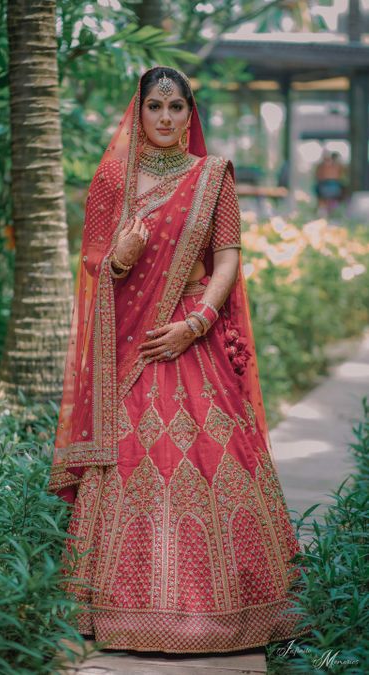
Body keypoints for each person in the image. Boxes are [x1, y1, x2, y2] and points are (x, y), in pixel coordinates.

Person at [48, 66, 311, 653]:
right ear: (138, 114)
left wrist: (196, 323)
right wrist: (120, 255)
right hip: (136, 350)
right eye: (155, 107)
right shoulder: (113, 181)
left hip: (195, 337)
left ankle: (234, 616)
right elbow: (93, 266)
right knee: (133, 465)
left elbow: (228, 258)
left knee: (217, 459)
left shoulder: (211, 177)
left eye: (176, 107)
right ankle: (120, 611)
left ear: (191, 115)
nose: (165, 118)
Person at [314, 150, 346, 215]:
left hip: (332, 186)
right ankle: (325, 209)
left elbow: (340, 175)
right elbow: (318, 176)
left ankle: (329, 209)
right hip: (326, 186)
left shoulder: (337, 166)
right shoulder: (323, 166)